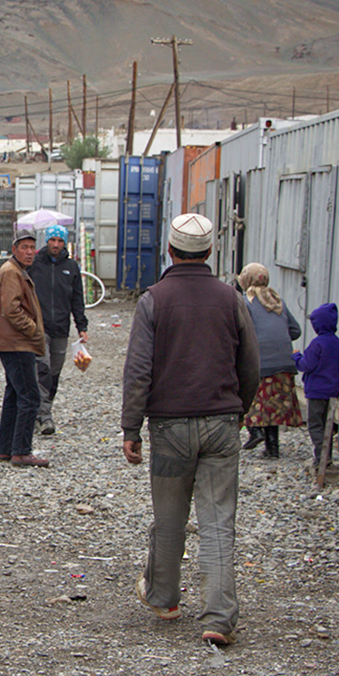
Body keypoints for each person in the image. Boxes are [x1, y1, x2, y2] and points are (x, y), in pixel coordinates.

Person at [121, 213, 259, 647]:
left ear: (169, 250)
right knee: (218, 522)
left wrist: (131, 426)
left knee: (169, 517)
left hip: (170, 426)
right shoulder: (231, 298)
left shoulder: (154, 300)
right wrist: (238, 412)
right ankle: (219, 618)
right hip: (222, 424)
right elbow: (251, 365)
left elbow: (138, 369)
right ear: (211, 252)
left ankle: (164, 598)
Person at [0, 228, 48, 467]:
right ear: (14, 249)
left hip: (14, 342)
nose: (29, 252)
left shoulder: (15, 271)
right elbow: (11, 310)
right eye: (24, 247)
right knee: (29, 396)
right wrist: (34, 329)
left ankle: (6, 449)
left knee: (14, 395)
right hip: (17, 343)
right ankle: (21, 451)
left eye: (31, 247)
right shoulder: (11, 272)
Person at [27, 225, 89, 436]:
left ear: (64, 243)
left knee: (54, 372)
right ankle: (45, 417)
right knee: (41, 369)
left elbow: (77, 299)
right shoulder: (35, 264)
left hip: (61, 328)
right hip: (38, 327)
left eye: (59, 241)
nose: (55, 244)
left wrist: (82, 326)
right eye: (52, 240)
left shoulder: (71, 267)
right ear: (47, 241)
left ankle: (42, 409)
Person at [237, 263, 303, 459]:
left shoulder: (245, 302)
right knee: (273, 404)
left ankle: (254, 430)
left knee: (248, 394)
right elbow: (296, 330)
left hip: (260, 363)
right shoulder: (277, 300)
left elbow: (241, 331)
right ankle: (272, 448)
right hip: (285, 364)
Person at [292, 303, 339, 469]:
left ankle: (322, 459)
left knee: (315, 426)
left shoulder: (317, 344)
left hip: (316, 392)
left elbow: (306, 365)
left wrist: (296, 357)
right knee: (328, 426)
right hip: (333, 392)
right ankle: (326, 457)